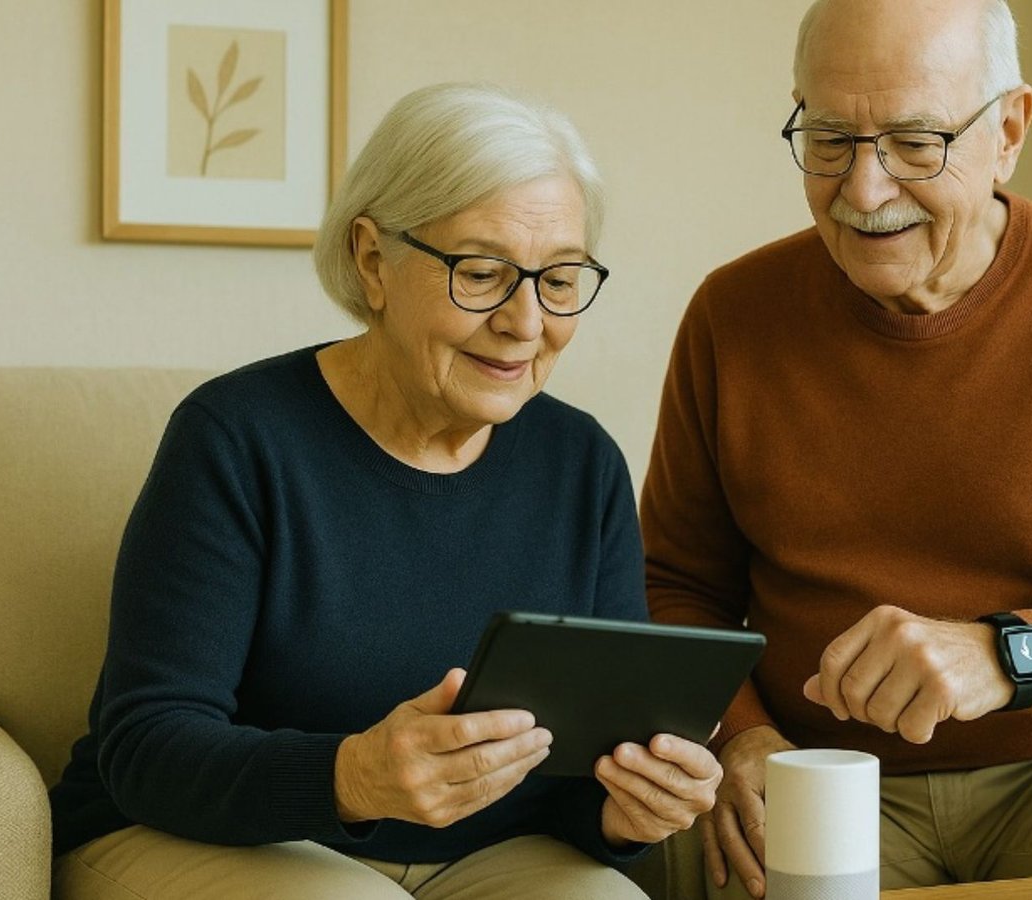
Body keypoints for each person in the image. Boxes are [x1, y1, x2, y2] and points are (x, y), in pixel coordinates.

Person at [635, 1, 1032, 897]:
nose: (863, 191)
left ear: (1009, 129)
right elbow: (672, 588)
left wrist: (1010, 655)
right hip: (820, 772)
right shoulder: (731, 316)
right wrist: (742, 736)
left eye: (915, 141)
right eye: (829, 139)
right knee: (677, 855)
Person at [48, 83, 719, 900]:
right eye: (481, 272)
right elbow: (146, 746)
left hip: (489, 855)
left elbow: (587, 769)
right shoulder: (235, 438)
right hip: (220, 835)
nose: (525, 321)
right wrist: (350, 776)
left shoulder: (582, 462)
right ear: (373, 260)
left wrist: (631, 809)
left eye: (561, 278)